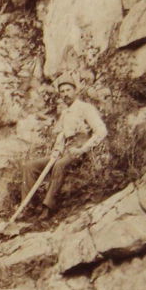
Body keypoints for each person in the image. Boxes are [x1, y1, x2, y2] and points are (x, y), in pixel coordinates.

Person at [19, 78, 108, 215]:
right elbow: (61, 134)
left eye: (68, 90)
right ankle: (29, 207)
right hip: (65, 151)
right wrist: (57, 148)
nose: (65, 94)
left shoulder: (85, 108)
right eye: (62, 92)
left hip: (81, 150)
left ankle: (48, 207)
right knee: (29, 166)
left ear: (75, 91)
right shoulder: (65, 113)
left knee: (59, 165)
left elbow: (101, 131)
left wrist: (82, 149)